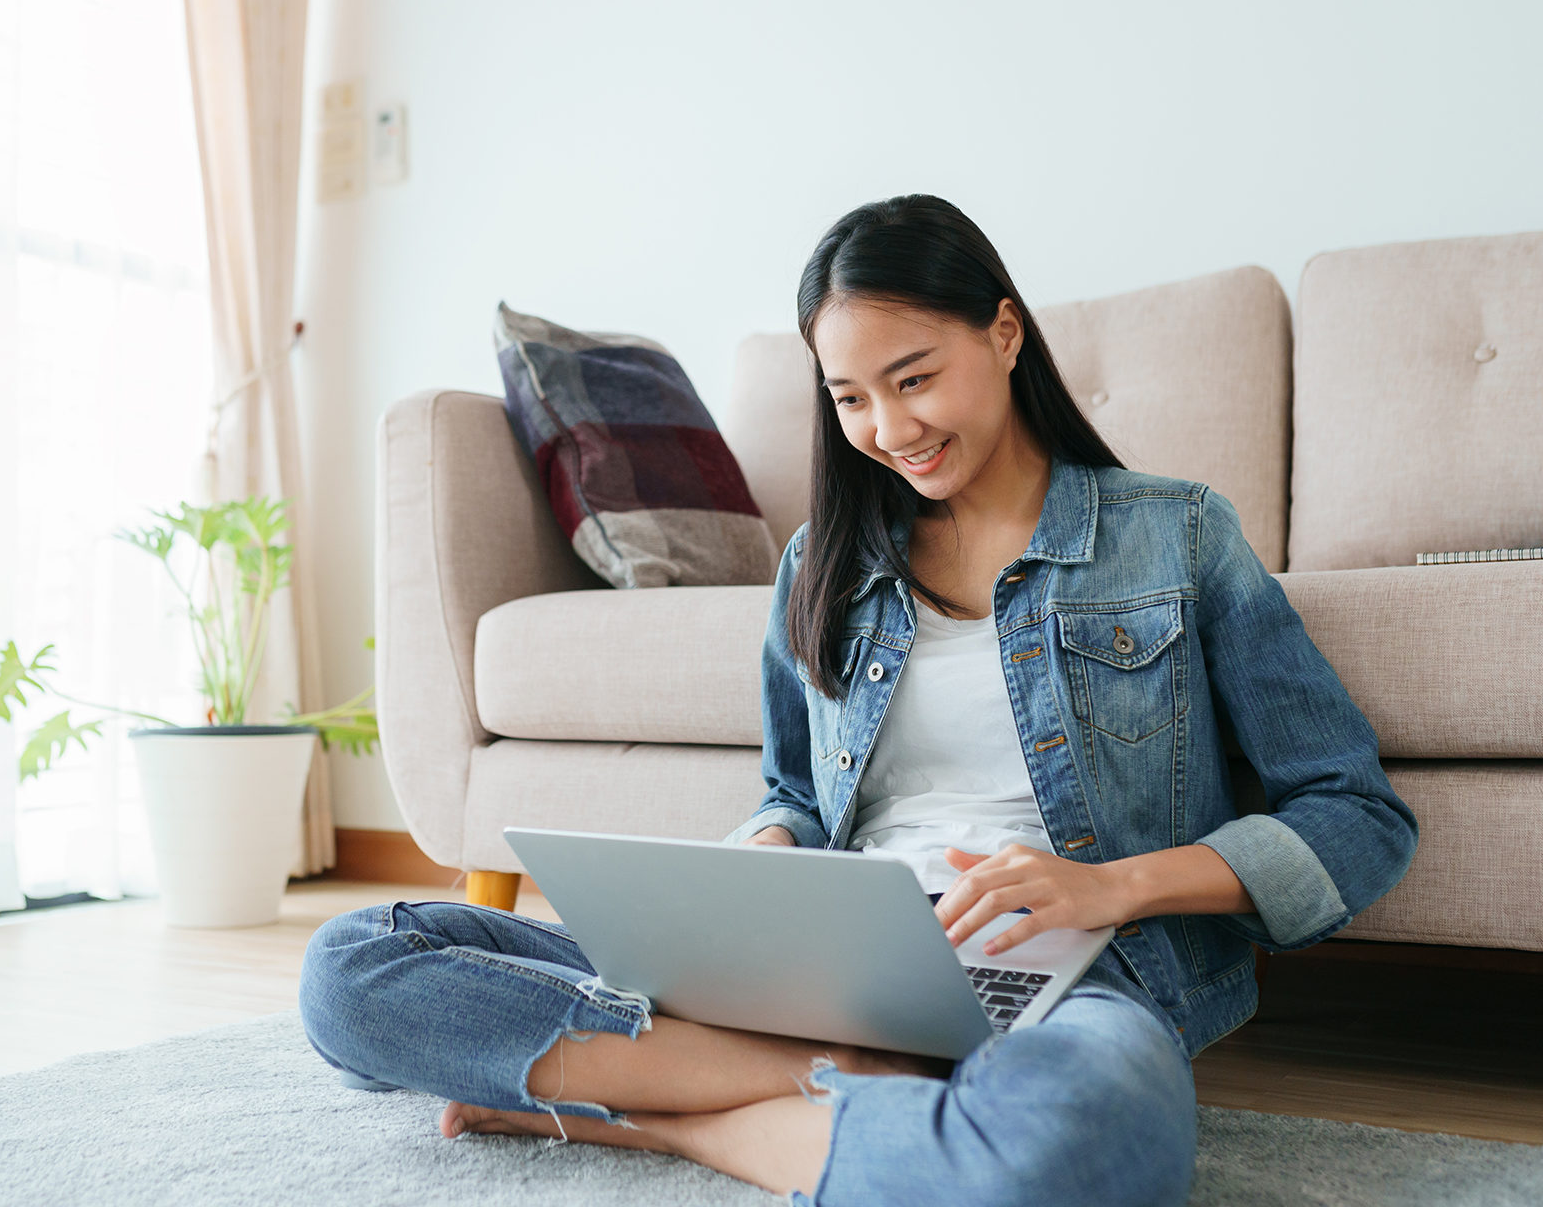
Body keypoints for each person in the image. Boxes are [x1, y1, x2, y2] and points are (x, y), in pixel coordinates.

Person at [297, 194, 1419, 1206]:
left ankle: (659, 1117)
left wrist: (1107, 887)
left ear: (1005, 330)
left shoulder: (1175, 535)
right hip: (826, 967)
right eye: (851, 396)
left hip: (1068, 973)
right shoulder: (825, 564)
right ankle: (831, 1077)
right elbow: (793, 787)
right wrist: (768, 852)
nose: (888, 428)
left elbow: (1352, 811)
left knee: (1077, 1151)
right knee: (352, 968)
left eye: (914, 376)